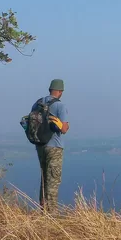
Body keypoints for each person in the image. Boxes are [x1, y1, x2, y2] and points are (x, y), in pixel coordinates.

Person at [35, 79, 70, 211]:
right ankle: (52, 213)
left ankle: (43, 209)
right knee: (53, 179)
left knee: (44, 177)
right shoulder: (60, 106)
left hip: (40, 145)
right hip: (54, 146)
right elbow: (64, 129)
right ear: (60, 92)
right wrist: (67, 126)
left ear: (50, 89)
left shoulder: (37, 103)